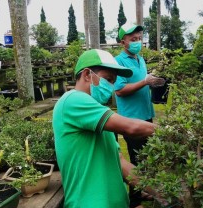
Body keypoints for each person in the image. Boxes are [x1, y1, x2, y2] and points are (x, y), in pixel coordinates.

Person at [52, 49, 162, 208]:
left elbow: (121, 163)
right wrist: (172, 131)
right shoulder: (73, 100)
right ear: (87, 75)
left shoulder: (98, 114)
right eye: (107, 79)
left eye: (113, 81)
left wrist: (162, 190)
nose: (111, 86)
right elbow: (131, 127)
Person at [114, 22, 165, 208]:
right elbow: (119, 90)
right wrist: (144, 82)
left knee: (147, 157)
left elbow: (141, 81)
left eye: (139, 38)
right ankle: (134, 202)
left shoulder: (139, 59)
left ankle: (142, 191)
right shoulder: (118, 62)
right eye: (132, 39)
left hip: (146, 114)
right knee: (136, 160)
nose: (137, 42)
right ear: (123, 42)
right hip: (131, 118)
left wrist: (151, 80)